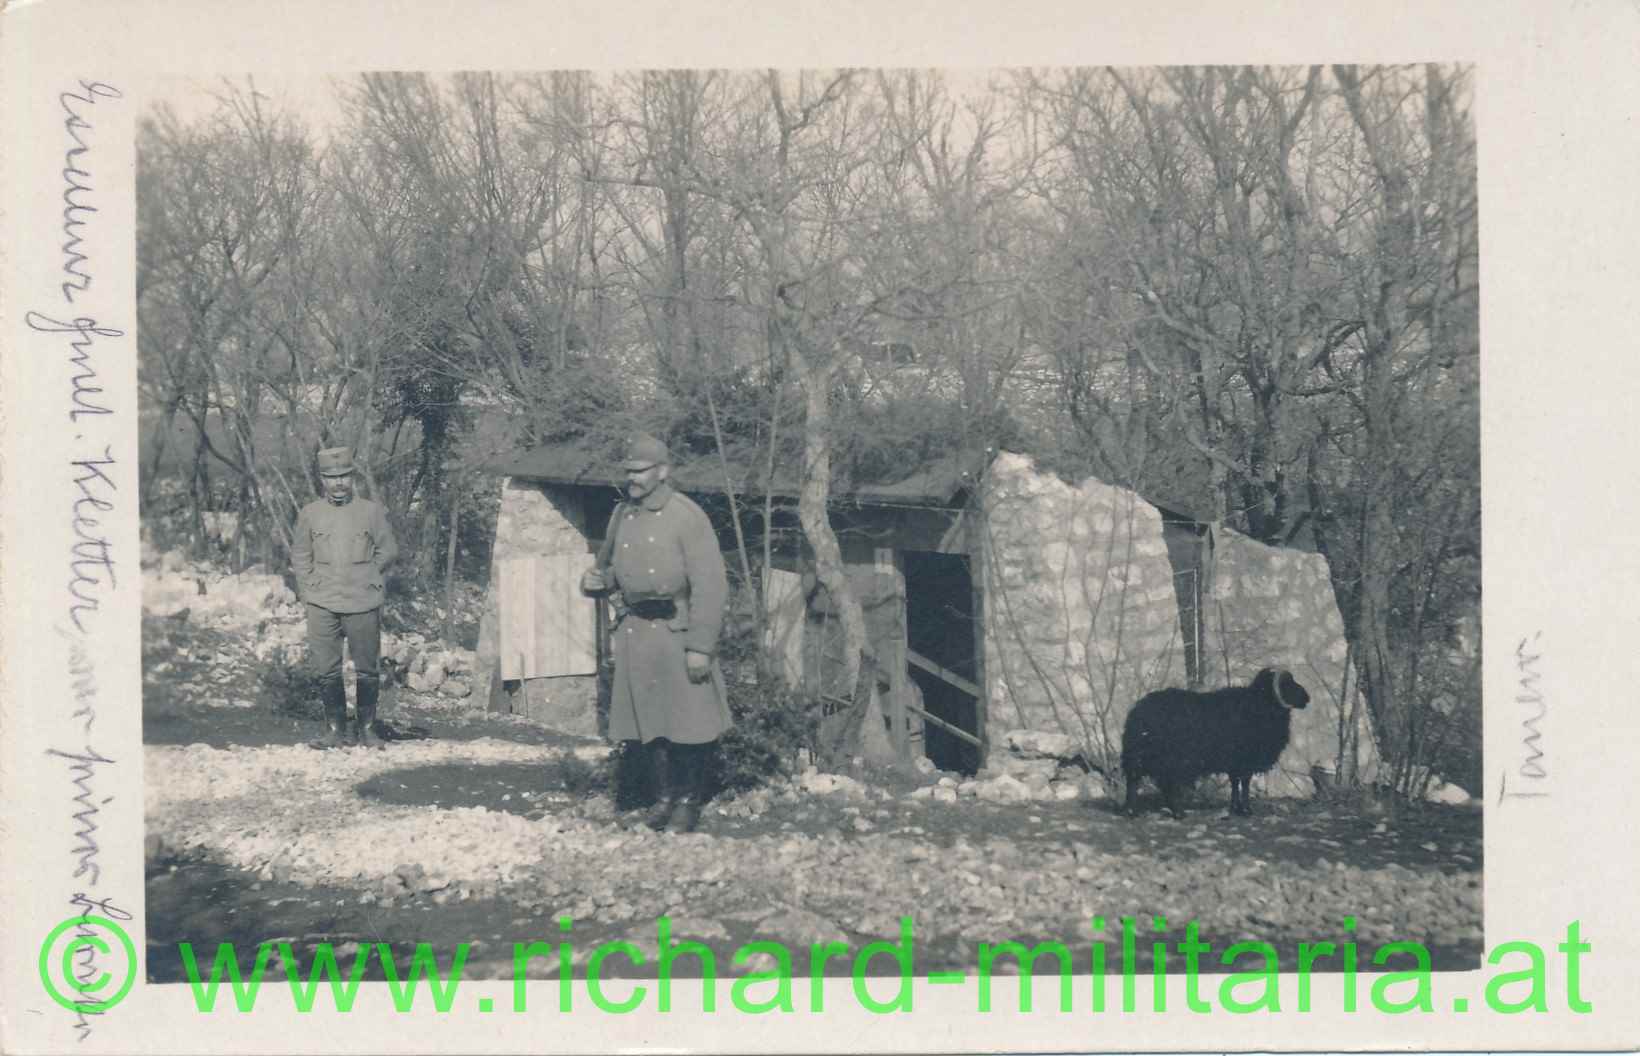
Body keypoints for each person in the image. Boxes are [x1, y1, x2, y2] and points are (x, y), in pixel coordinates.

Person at [581, 433, 730, 833]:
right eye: (629, 471)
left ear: (663, 471)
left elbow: (711, 584)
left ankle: (688, 802)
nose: (632, 478)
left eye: (641, 471)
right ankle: (662, 798)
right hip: (637, 634)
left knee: (689, 721)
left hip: (676, 632)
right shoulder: (622, 515)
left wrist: (700, 646)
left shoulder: (687, 516)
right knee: (648, 720)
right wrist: (595, 582)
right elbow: (609, 571)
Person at [290, 447, 399, 749]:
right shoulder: (310, 513)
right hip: (322, 601)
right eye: (331, 477)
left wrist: (368, 574)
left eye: (344, 476)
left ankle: (367, 729)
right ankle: (335, 730)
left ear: (352, 477)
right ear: (322, 480)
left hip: (361, 601)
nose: (338, 483)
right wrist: (308, 587)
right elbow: (300, 554)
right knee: (326, 668)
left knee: (367, 668)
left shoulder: (371, 512)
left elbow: (389, 550)